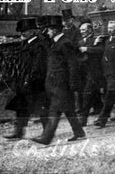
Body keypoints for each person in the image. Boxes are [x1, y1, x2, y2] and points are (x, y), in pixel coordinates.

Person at [31, 16, 85, 145]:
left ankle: (47, 137)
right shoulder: (56, 42)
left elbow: (72, 64)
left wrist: (73, 83)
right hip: (55, 82)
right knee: (68, 108)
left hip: (61, 83)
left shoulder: (65, 43)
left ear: (54, 30)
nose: (47, 32)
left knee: (54, 109)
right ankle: (79, 132)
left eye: (49, 30)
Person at [3, 18, 49, 139]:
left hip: (36, 81)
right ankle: (19, 131)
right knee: (21, 106)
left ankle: (47, 132)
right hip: (23, 81)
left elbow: (38, 65)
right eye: (21, 31)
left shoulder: (40, 45)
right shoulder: (25, 44)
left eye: (25, 31)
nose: (22, 33)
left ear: (33, 31)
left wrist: (29, 79)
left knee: (40, 107)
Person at [77, 21, 105, 126]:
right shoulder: (80, 42)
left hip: (95, 71)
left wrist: (87, 49)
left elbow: (100, 50)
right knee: (92, 94)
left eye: (83, 30)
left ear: (89, 30)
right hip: (84, 72)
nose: (81, 32)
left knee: (88, 95)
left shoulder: (96, 39)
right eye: (80, 30)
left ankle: (83, 119)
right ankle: (101, 114)